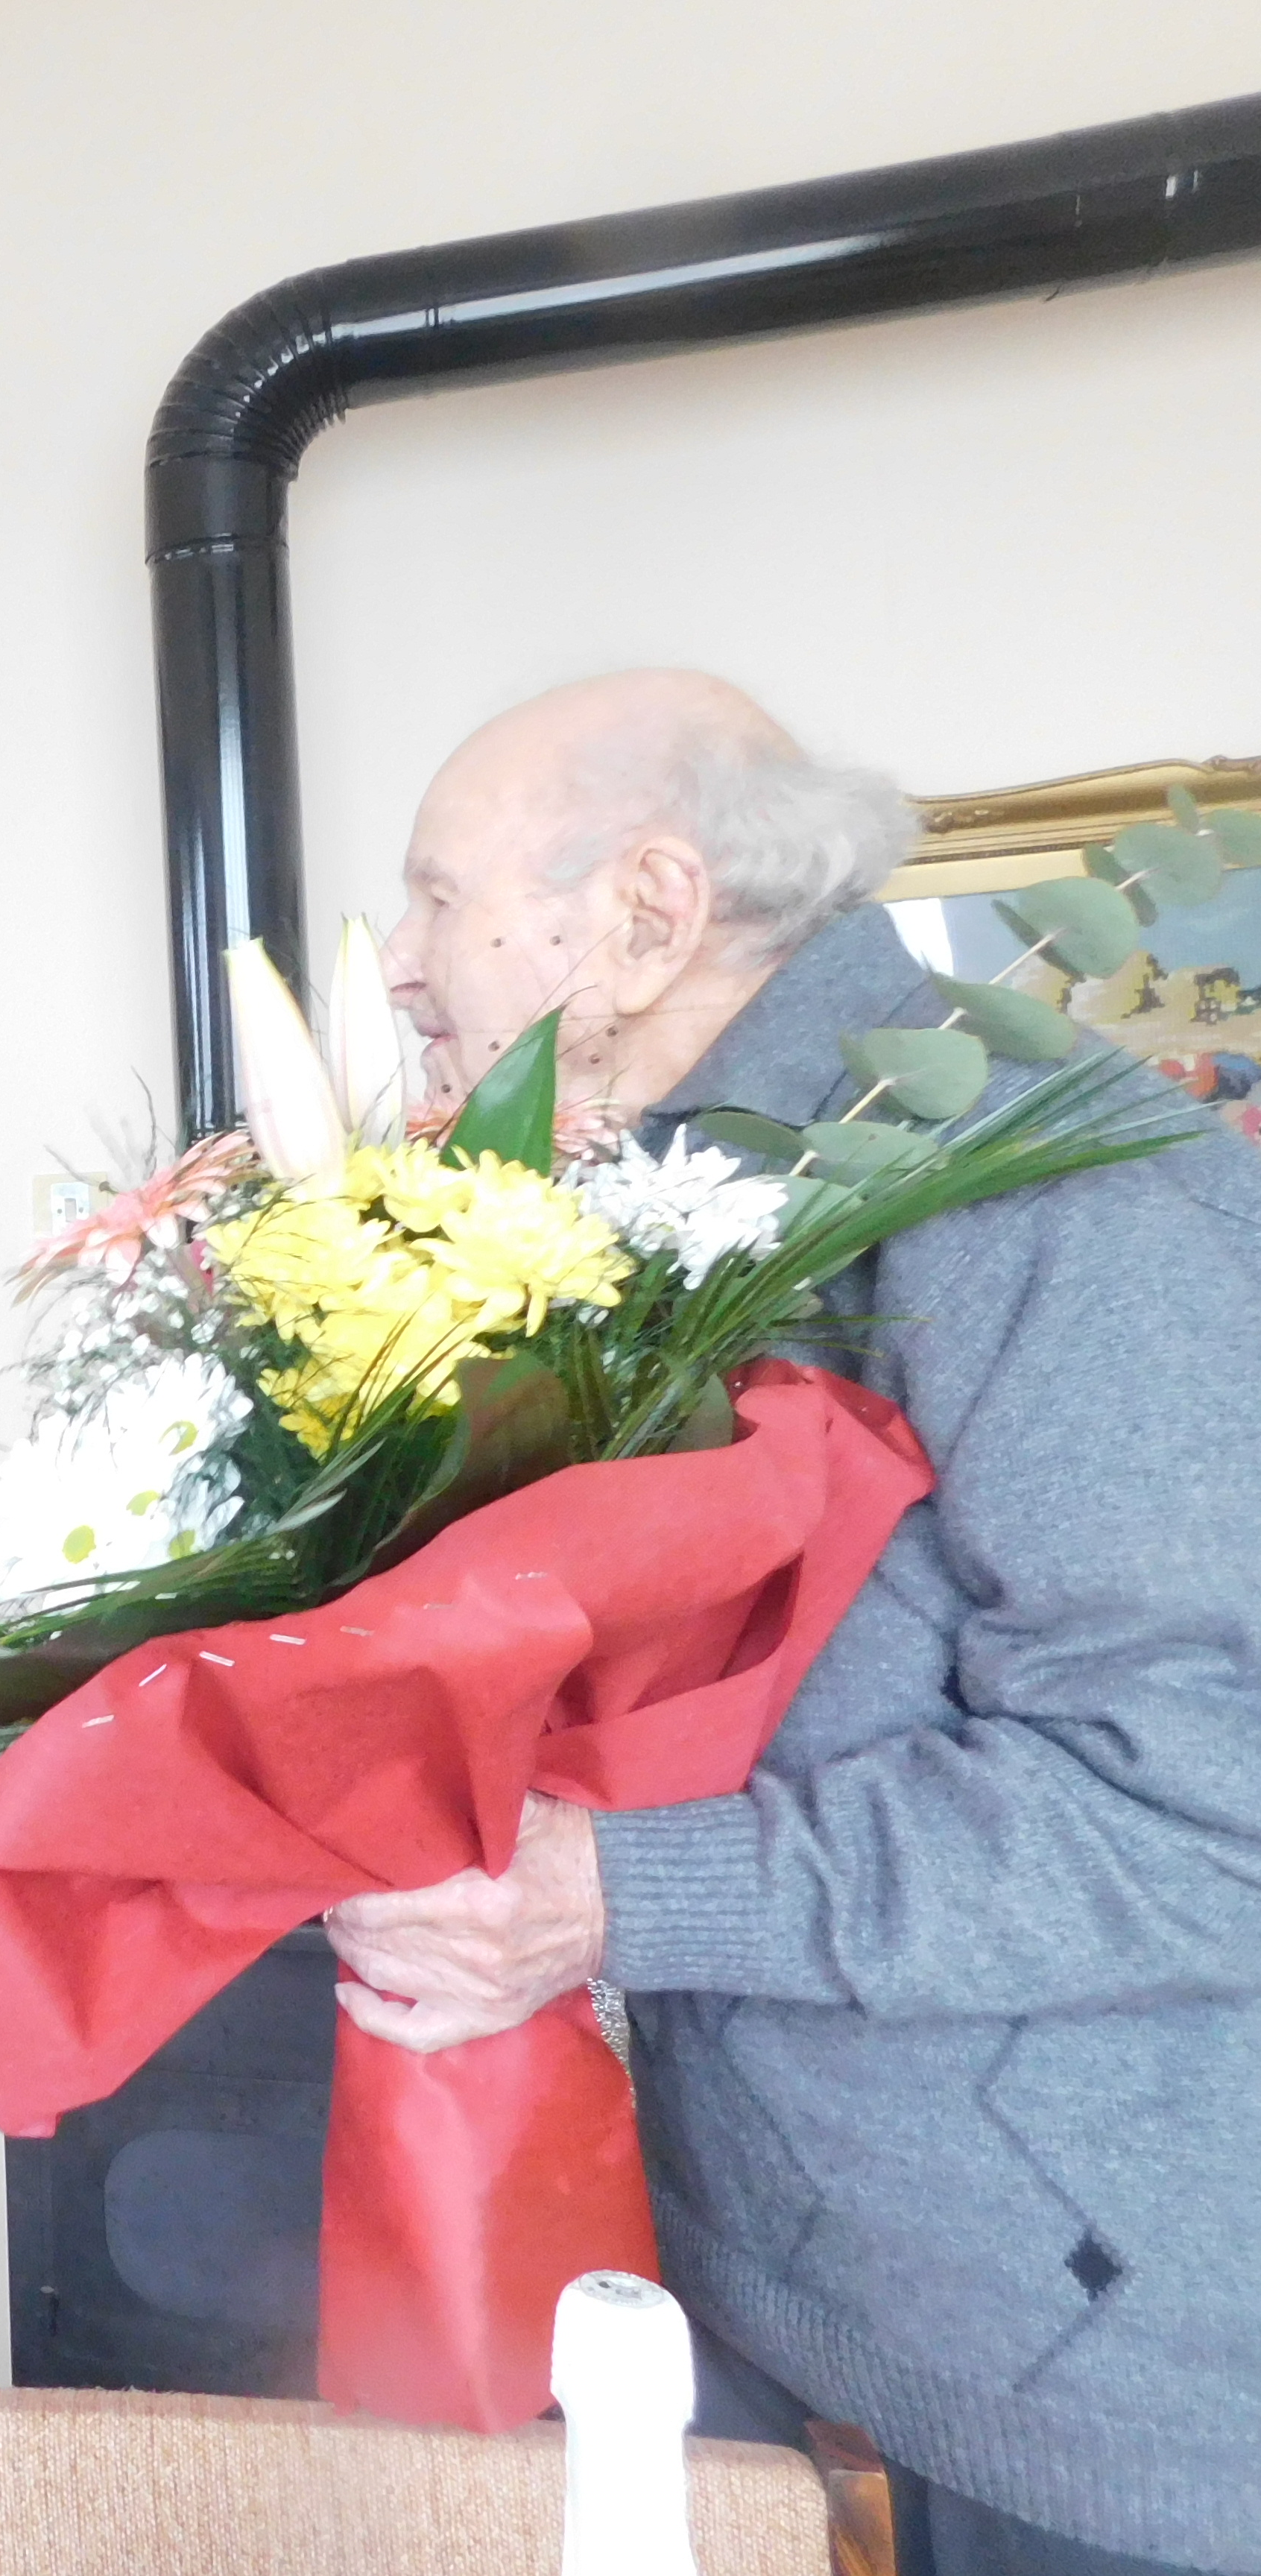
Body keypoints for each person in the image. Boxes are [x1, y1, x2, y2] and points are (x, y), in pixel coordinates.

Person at [328, 671, 1261, 2575]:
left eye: (437, 895)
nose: (404, 964)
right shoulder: (677, 1197)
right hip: (778, 2286)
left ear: (651, 911)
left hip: (1069, 2391)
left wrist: (617, 1896)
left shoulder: (1058, 1190)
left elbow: (1207, 1808)